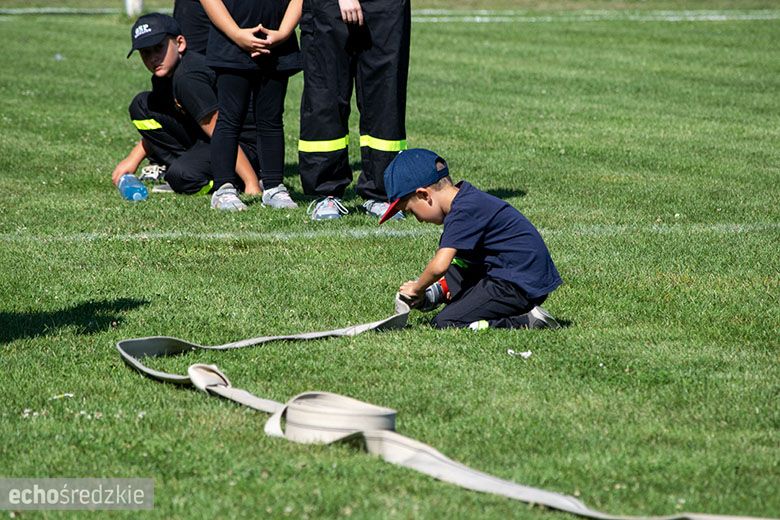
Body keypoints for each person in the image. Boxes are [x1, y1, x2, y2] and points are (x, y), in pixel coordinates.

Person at [381, 149, 563, 330]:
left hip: (519, 285)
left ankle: (527, 321)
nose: (418, 219)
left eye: (411, 211)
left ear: (424, 195)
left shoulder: (464, 210)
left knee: (446, 322)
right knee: (461, 260)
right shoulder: (465, 201)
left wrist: (417, 288)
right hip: (512, 274)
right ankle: (437, 294)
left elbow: (439, 267)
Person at [112, 13, 262, 197]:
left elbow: (220, 131)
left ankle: (232, 179)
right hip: (206, 137)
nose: (153, 58)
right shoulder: (164, 75)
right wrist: (133, 159)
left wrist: (251, 182)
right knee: (142, 105)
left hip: (243, 145)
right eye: (145, 52)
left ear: (180, 43)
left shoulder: (187, 78)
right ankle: (190, 163)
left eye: (158, 48)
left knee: (181, 176)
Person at [298, 0, 411, 221]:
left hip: (385, 7)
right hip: (331, 6)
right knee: (326, 96)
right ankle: (325, 193)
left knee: (386, 97)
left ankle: (381, 192)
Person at [199, 0, 302, 211]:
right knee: (230, 118)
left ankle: (274, 187)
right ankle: (224, 190)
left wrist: (282, 33)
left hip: (277, 46)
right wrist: (237, 34)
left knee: (271, 119)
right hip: (230, 44)